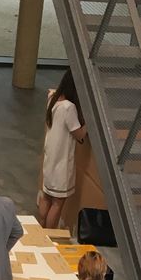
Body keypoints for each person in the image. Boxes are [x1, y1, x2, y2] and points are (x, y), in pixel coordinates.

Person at [38, 71, 88, 229]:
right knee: (57, 203)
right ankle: (49, 235)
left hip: (50, 158)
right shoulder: (69, 107)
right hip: (61, 162)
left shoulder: (52, 99)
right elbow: (79, 134)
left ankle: (41, 230)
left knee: (46, 197)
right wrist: (90, 121)